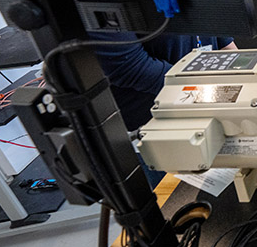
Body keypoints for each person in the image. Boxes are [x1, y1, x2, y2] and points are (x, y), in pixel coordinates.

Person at [92, 33, 236, 187]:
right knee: (183, 202)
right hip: (155, 132)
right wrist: (211, 93)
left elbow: (223, 42)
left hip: (210, 109)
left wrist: (245, 83)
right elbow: (129, 67)